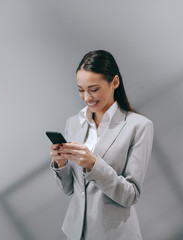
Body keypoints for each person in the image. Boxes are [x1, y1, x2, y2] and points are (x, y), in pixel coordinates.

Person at [50, 50, 154, 240]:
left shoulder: (139, 126)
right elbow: (70, 190)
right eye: (81, 90)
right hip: (76, 233)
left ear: (114, 82)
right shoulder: (73, 123)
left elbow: (130, 195)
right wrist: (61, 164)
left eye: (94, 89)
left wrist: (93, 164)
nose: (87, 97)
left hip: (115, 235)